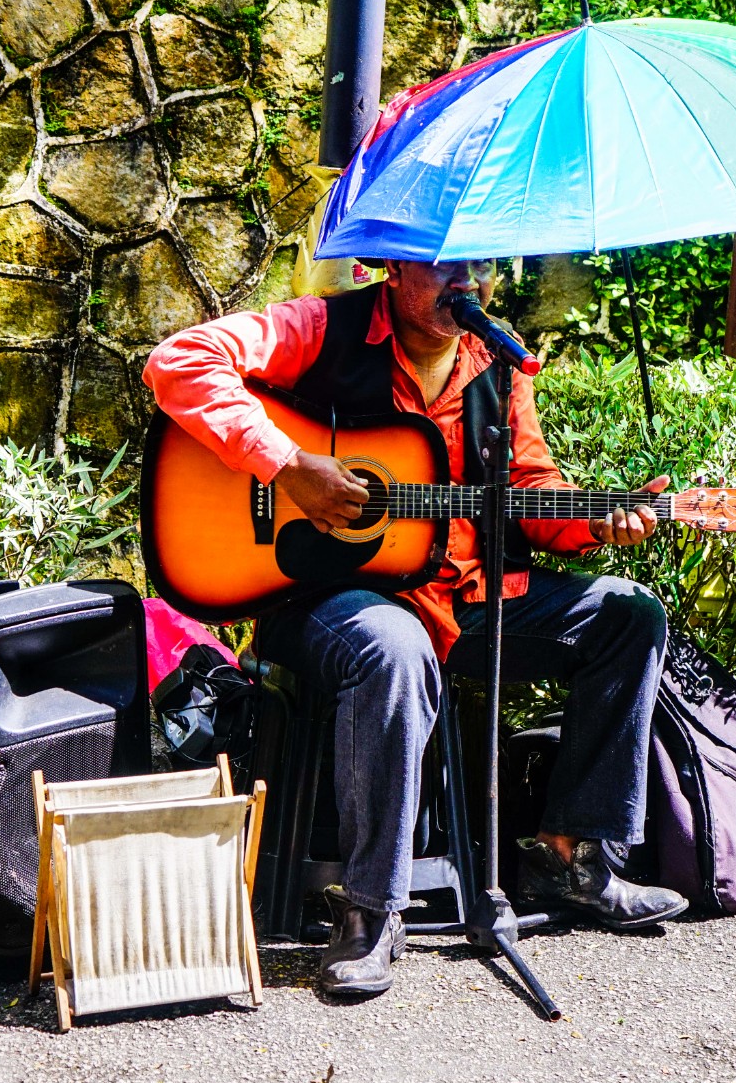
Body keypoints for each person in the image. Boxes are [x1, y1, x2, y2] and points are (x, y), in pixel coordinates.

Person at [143, 258, 687, 999]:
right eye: (445, 264)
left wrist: (595, 521)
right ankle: (370, 910)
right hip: (333, 597)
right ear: (396, 268)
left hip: (466, 595)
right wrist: (288, 464)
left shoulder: (501, 358)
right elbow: (179, 362)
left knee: (629, 615)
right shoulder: (319, 327)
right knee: (394, 651)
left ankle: (574, 856)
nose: (469, 280)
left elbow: (527, 485)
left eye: (483, 263)